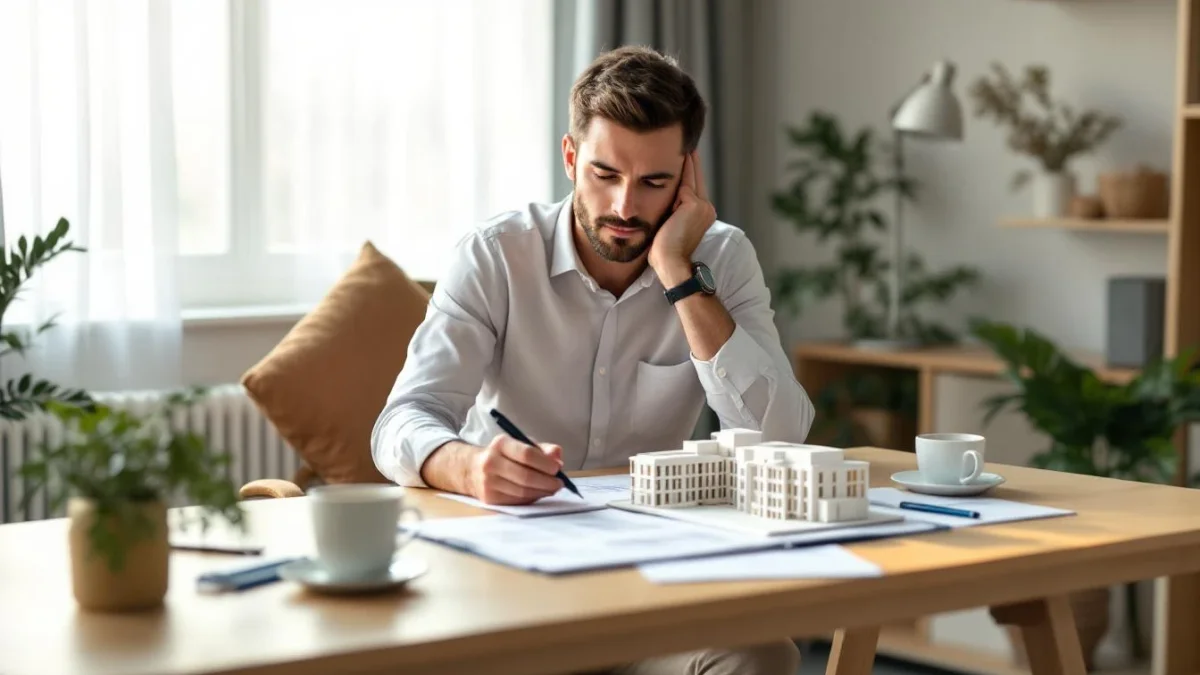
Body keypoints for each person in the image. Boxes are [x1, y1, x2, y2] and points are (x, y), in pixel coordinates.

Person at [371, 45, 812, 675]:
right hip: (504, 576)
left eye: (654, 182)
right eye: (605, 174)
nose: (626, 207)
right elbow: (401, 422)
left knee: (760, 654)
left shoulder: (723, 260)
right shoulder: (495, 256)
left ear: (686, 176)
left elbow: (780, 434)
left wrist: (679, 276)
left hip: (649, 581)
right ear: (571, 157)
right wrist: (469, 469)